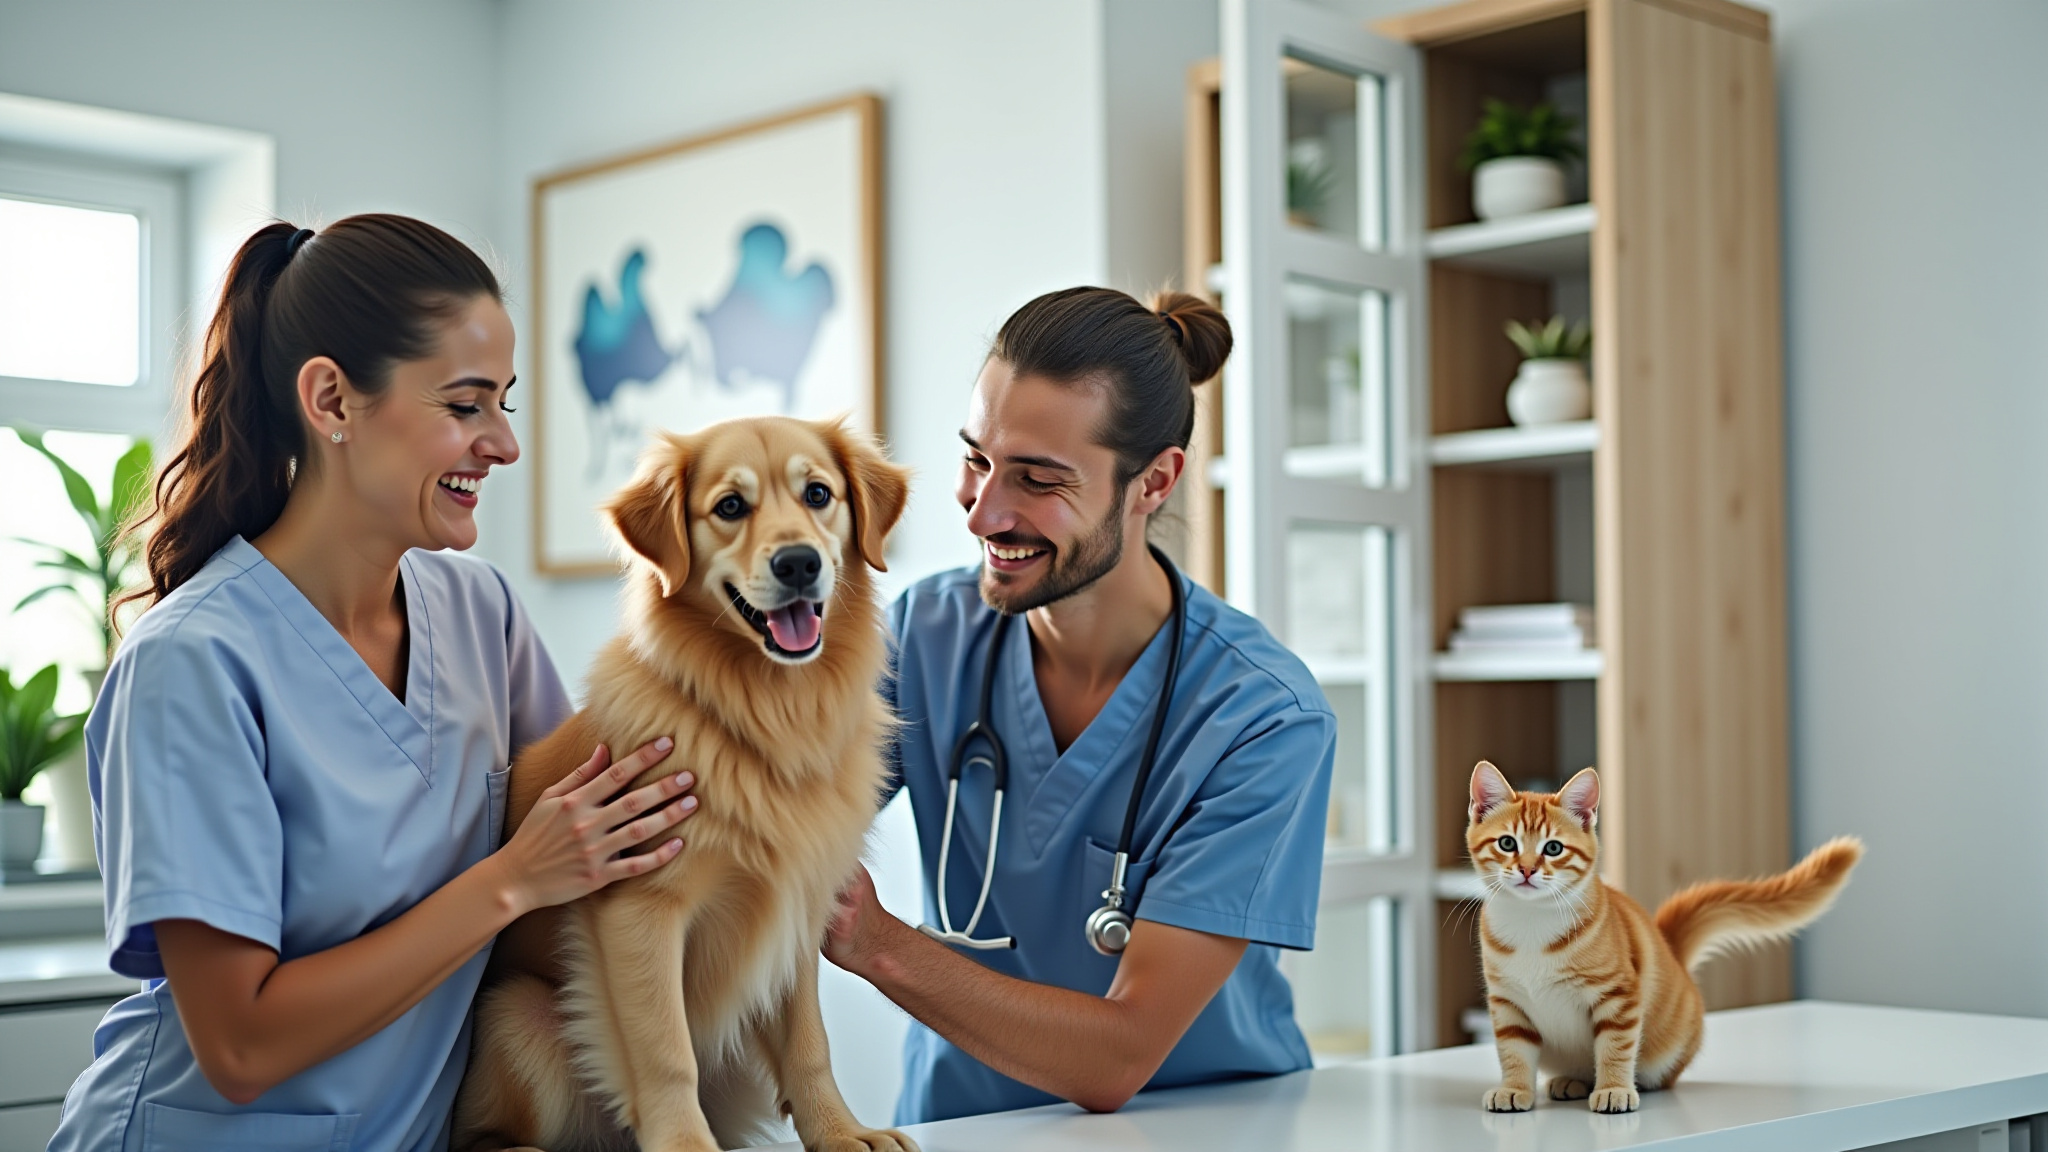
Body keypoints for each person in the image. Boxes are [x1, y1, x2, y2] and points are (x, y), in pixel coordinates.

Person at [49, 216, 696, 1152]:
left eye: (506, 403)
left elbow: (593, 871)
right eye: (467, 406)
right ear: (332, 401)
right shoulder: (192, 664)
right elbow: (239, 1042)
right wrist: (510, 881)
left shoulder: (483, 618)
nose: (505, 444)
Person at [823, 287, 1337, 1124]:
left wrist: (877, 944)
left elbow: (1118, 1057)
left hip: (1201, 1131)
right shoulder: (925, 635)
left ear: (1153, 482)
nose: (984, 510)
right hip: (965, 1128)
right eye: (976, 459)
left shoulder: (1264, 719)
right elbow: (774, 801)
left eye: (1038, 479)